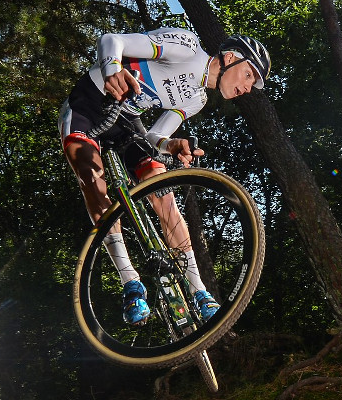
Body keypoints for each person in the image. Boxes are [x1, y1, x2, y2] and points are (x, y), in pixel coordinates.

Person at [58, 28, 271, 326]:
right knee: (91, 176)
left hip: (128, 122)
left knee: (162, 191)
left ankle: (200, 292)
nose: (247, 88)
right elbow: (110, 40)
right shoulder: (186, 48)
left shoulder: (198, 99)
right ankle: (130, 283)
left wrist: (171, 145)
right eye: (249, 75)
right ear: (231, 58)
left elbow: (157, 134)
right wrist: (113, 71)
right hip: (87, 107)